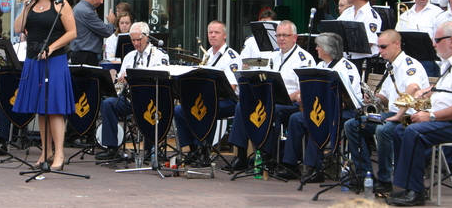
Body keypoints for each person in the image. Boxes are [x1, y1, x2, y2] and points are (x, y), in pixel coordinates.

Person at [387, 22, 452, 206]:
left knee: (414, 132)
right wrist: (424, 94)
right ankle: (404, 186)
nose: (433, 44)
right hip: (445, 119)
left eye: (436, 40)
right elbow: (443, 89)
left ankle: (416, 192)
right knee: (400, 129)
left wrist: (431, 116)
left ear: (451, 41)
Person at [344, 30, 429, 196]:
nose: (380, 50)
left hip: (410, 117)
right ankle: (365, 174)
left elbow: (412, 89)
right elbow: (385, 96)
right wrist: (372, 98)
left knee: (383, 129)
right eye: (379, 47)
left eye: (383, 46)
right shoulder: (391, 66)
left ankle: (384, 180)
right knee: (353, 124)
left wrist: (398, 115)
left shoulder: (409, 65)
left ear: (397, 44)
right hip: (392, 114)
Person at [13, 0, 77, 170]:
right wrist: (25, 7)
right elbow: (17, 28)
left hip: (54, 60)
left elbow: (72, 32)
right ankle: (45, 151)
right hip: (33, 59)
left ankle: (59, 154)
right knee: (42, 109)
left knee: (55, 108)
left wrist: (51, 48)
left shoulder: (61, 5)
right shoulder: (31, 4)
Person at [229, 20, 315, 169]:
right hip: (271, 100)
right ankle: (241, 156)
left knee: (271, 111)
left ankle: (266, 155)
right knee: (241, 106)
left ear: (294, 37)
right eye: (278, 35)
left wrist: (286, 98)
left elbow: (307, 89)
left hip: (291, 103)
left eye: (285, 35)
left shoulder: (304, 58)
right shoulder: (273, 56)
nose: (281, 39)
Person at [278, 32, 362, 182]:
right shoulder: (320, 66)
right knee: (296, 118)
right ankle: (290, 165)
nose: (316, 48)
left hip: (345, 111)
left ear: (328, 50)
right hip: (323, 109)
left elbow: (348, 99)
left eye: (319, 46)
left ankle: (315, 168)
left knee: (318, 119)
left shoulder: (347, 68)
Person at [95, 22, 169, 161]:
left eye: (138, 40)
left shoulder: (158, 55)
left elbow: (163, 79)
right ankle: (112, 148)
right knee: (109, 104)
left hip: (151, 99)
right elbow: (120, 80)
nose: (135, 43)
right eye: (133, 40)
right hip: (131, 98)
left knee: (153, 108)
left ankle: (149, 149)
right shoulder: (129, 56)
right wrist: (120, 79)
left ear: (147, 37)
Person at [175, 20, 242, 164]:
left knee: (206, 108)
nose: (213, 35)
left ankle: (203, 150)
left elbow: (232, 88)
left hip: (228, 101)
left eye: (216, 32)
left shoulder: (232, 57)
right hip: (207, 99)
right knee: (179, 110)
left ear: (224, 35)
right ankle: (193, 150)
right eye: (210, 32)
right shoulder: (208, 55)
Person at [395, 0, 442, 76]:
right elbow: (396, 38)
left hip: (429, 62)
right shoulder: (405, 15)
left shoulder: (438, 13)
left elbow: (441, 39)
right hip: (407, 60)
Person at [338, 0, 382, 69]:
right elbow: (336, 31)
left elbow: (367, 44)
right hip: (346, 60)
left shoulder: (371, 16)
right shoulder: (347, 12)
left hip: (362, 63)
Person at [70, 0, 116, 66]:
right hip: (86, 56)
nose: (102, 2)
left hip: (80, 54)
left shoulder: (79, 8)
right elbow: (106, 31)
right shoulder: (87, 11)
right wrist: (111, 22)